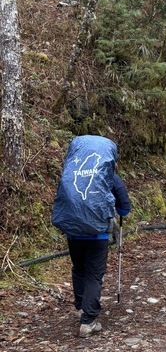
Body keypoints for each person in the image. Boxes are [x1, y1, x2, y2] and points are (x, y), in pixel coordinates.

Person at [52, 135, 131, 338]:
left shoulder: (72, 171)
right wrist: (120, 211)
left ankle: (80, 306)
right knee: (94, 274)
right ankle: (88, 320)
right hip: (98, 235)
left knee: (79, 269)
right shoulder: (107, 175)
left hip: (74, 232)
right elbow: (124, 207)